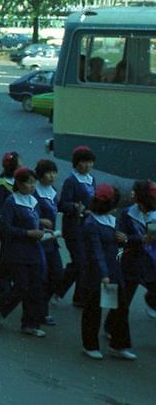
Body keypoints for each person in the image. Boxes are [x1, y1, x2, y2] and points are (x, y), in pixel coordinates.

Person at [0, 168, 47, 337]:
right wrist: (27, 233)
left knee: (36, 288)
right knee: (22, 286)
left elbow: (35, 221)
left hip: (34, 250)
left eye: (34, 183)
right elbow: (6, 227)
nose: (32, 186)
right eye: (29, 182)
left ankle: (30, 324)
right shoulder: (11, 202)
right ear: (19, 184)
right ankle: (1, 306)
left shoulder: (33, 201)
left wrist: (43, 225)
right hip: (17, 251)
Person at [81, 185, 133, 359]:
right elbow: (96, 252)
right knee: (93, 308)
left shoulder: (111, 220)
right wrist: (104, 274)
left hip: (113, 269)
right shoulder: (91, 223)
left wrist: (123, 240)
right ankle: (90, 345)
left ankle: (119, 345)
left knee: (121, 306)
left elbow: (116, 247)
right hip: (97, 272)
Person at [110, 180, 156, 328]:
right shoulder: (128, 213)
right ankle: (111, 327)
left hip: (151, 261)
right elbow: (120, 237)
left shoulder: (154, 215)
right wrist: (136, 239)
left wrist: (131, 239)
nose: (132, 194)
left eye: (135, 192)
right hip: (131, 261)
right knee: (125, 297)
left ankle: (151, 302)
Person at [58, 146, 97, 308]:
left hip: (87, 226)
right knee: (80, 261)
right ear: (76, 164)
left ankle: (76, 295)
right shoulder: (71, 181)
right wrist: (75, 207)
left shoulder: (91, 179)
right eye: (83, 162)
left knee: (83, 262)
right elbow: (62, 204)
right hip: (73, 227)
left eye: (90, 162)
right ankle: (59, 290)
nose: (87, 166)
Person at [33, 159, 64, 326]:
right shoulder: (35, 193)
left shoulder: (52, 191)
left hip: (51, 240)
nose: (52, 176)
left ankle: (40, 307)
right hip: (39, 241)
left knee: (58, 275)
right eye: (48, 173)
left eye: (54, 172)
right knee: (42, 278)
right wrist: (40, 221)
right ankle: (41, 312)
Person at [0, 152, 21, 296]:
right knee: (8, 255)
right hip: (5, 226)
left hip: (13, 225)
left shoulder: (16, 181)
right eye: (19, 162)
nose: (22, 164)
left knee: (8, 255)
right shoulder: (2, 185)